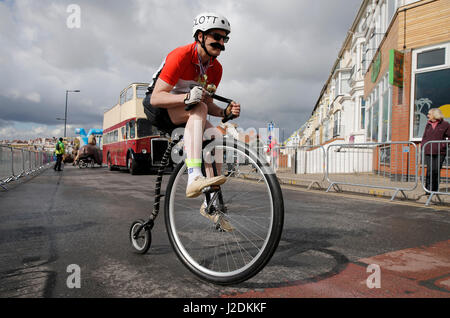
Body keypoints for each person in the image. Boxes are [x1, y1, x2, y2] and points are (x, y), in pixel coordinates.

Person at [143, 12, 240, 231]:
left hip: (189, 110)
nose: (221, 43)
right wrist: (186, 98)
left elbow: (209, 105)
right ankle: (194, 176)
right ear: (199, 36)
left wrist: (226, 112)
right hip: (158, 107)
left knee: (214, 135)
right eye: (216, 36)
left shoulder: (216, 69)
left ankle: (210, 204)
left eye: (225, 38)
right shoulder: (180, 56)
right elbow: (157, 97)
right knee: (199, 107)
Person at [421, 108, 450, 193]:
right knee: (430, 170)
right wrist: (423, 145)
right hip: (428, 151)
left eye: (429, 114)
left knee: (436, 170)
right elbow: (425, 136)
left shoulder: (445, 124)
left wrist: (443, 145)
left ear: (435, 115)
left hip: (440, 152)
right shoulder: (428, 124)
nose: (427, 115)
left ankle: (435, 189)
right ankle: (428, 190)